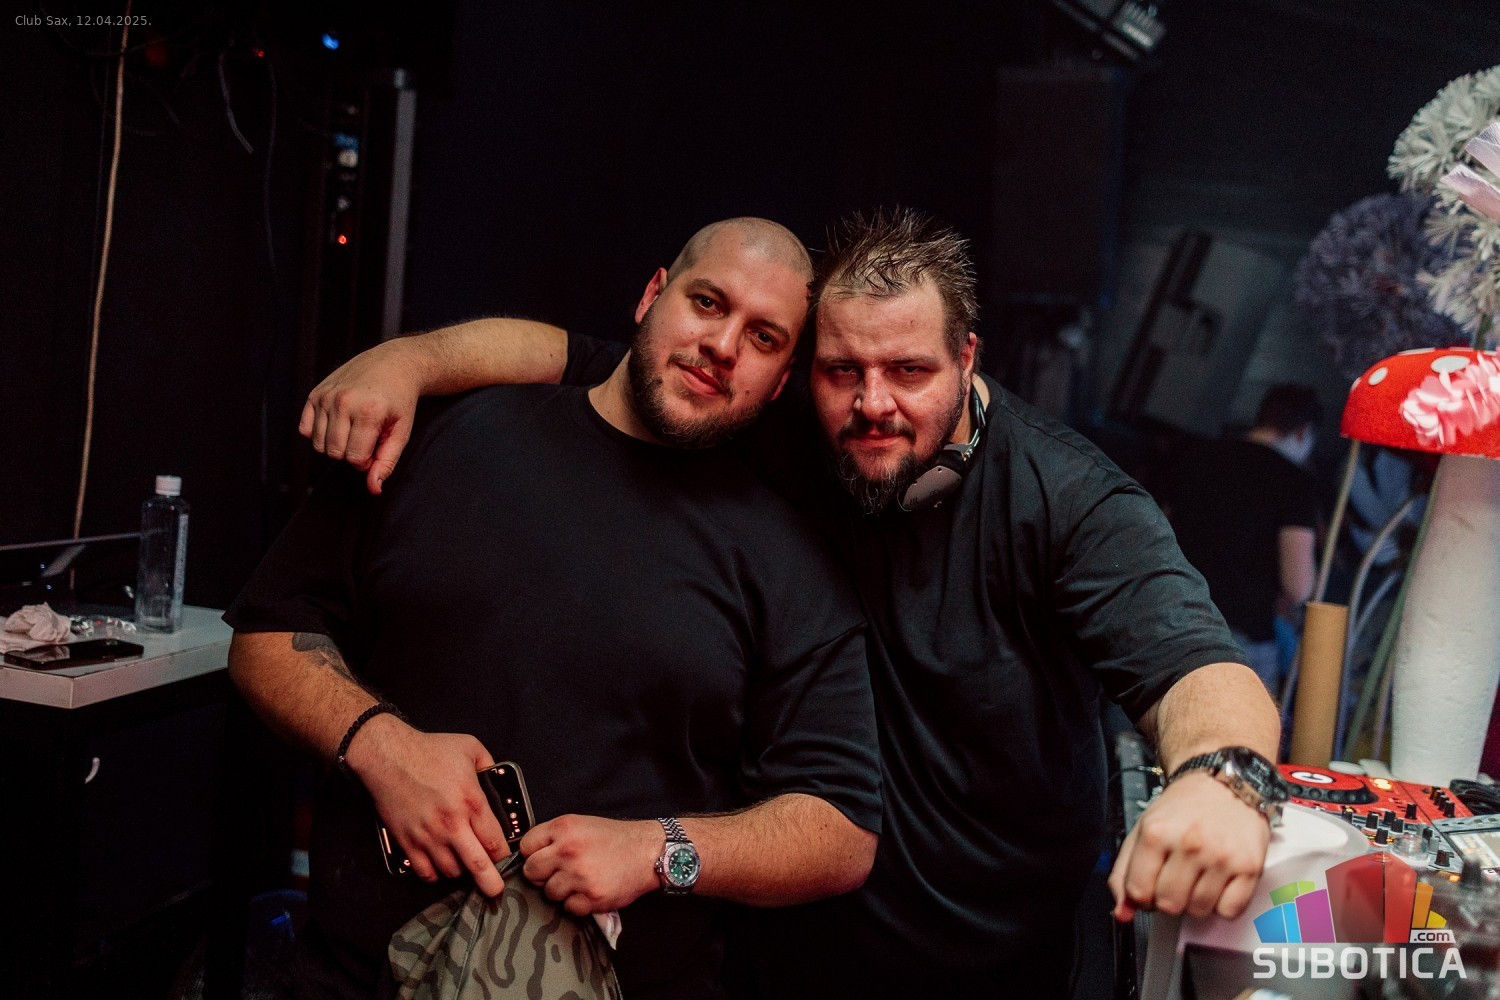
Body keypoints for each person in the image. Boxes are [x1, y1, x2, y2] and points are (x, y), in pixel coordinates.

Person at [302, 208, 1283, 997]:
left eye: (910, 371)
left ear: (967, 357)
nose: (873, 403)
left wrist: (1222, 779)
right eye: (842, 370)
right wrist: (408, 363)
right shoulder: (782, 422)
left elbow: (1194, 665)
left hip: (986, 965)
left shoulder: (1070, 501)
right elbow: (572, 355)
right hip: (777, 957)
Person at [225, 217, 884, 1000]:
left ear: (780, 382)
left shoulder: (786, 559)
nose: (722, 344)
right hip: (350, 980)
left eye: (764, 337)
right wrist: (378, 745)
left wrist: (659, 851)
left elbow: (842, 831)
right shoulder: (452, 431)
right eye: (707, 302)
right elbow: (266, 633)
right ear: (653, 294)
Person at [1155, 384, 1323, 694]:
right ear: (1303, 432)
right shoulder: (1294, 483)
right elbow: (1298, 586)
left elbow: (1158, 533)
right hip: (1240, 637)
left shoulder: (1197, 456)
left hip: (1171, 617)